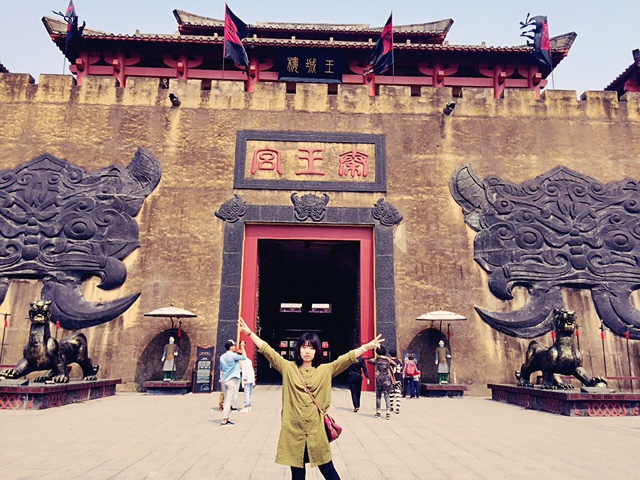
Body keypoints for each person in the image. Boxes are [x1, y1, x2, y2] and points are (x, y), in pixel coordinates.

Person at [238, 317, 384, 480]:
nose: (307, 351)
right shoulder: (288, 368)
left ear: (317, 351)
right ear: (298, 349)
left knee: (328, 470)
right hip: (293, 430)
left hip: (316, 430)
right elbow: (268, 350)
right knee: (297, 474)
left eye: (312, 348)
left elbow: (346, 359)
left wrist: (366, 347)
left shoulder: (325, 370)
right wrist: (250, 333)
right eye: (304, 347)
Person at [219, 339, 246, 426]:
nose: (234, 347)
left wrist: (220, 378)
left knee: (226, 399)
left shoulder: (222, 357)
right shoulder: (233, 355)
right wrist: (242, 347)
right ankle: (224, 420)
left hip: (224, 380)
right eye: (233, 345)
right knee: (228, 401)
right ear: (231, 347)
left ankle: (227, 417)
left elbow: (221, 369)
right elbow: (244, 357)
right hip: (232, 380)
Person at [368, 345, 394, 420]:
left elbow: (369, 361)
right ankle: (388, 413)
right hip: (387, 380)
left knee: (378, 396)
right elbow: (394, 364)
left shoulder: (377, 360)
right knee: (387, 396)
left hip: (379, 380)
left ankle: (378, 412)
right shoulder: (388, 360)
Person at [239, 340, 255, 412]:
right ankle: (249, 406)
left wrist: (244, 379)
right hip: (251, 378)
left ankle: (246, 406)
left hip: (247, 378)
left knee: (247, 392)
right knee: (250, 393)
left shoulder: (242, 361)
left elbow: (244, 370)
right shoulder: (248, 360)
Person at [388, 349, 403, 414]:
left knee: (391, 393)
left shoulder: (390, 362)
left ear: (390, 355)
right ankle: (398, 407)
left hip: (391, 379)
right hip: (398, 379)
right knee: (398, 393)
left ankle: (391, 406)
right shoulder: (399, 362)